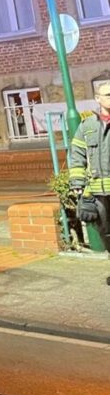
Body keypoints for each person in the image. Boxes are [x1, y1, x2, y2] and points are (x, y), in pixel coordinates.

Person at [70, 79, 110, 286]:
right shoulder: (88, 126)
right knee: (106, 233)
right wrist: (77, 184)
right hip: (99, 194)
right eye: (108, 94)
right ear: (98, 98)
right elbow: (76, 154)